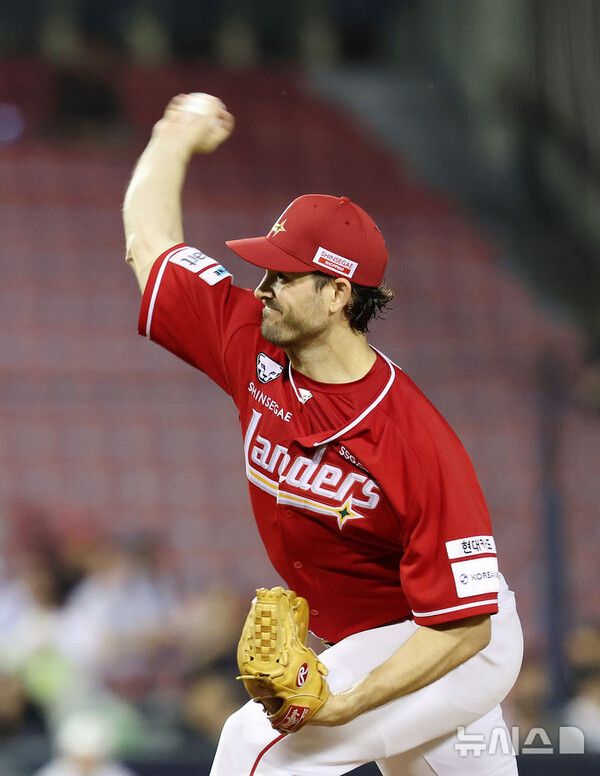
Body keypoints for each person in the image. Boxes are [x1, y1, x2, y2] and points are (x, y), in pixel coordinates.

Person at [123, 93, 524, 775]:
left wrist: (347, 702)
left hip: (450, 642)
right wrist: (174, 136)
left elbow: (465, 625)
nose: (264, 286)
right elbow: (150, 245)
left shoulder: (412, 438)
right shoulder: (250, 340)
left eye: (285, 275)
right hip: (377, 639)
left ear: (338, 294)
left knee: (254, 745)